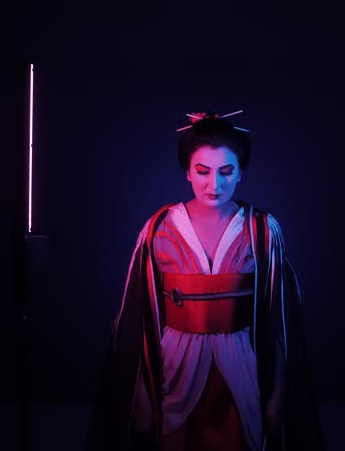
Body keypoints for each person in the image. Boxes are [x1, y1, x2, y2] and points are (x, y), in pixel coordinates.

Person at [84, 111, 323, 450]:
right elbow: (135, 318)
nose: (215, 184)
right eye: (203, 171)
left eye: (227, 172)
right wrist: (141, 393)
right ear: (187, 172)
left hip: (242, 367)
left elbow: (281, 322)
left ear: (240, 173)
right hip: (174, 368)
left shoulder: (262, 230)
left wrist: (278, 394)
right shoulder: (159, 229)